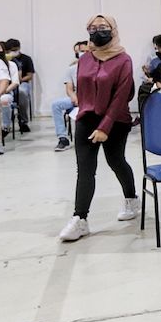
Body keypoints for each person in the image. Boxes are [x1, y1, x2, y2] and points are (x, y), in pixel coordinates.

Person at [59, 15, 138, 242]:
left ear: (113, 30)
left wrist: (105, 126)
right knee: (85, 169)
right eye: (93, 28)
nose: (97, 31)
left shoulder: (124, 59)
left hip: (115, 119)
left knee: (116, 161)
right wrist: (84, 114)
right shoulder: (85, 58)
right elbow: (82, 91)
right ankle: (79, 219)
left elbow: (122, 96)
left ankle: (131, 198)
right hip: (86, 118)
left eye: (103, 27)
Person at [51, 41, 87, 152]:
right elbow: (69, 89)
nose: (82, 53)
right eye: (80, 51)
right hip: (78, 97)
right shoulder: (72, 69)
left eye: (85, 51)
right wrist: (73, 97)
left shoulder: (99, 66)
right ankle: (63, 139)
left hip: (94, 98)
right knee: (56, 104)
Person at [4, 39, 34, 133]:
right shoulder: (3, 59)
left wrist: (18, 80)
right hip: (5, 83)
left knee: (22, 92)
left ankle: (23, 121)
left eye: (15, 49)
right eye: (10, 50)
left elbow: (30, 76)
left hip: (22, 83)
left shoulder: (26, 59)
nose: (13, 52)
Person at [138, 34, 161, 108]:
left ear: (156, 45)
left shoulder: (159, 60)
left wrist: (153, 80)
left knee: (143, 89)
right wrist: (147, 72)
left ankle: (143, 114)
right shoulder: (157, 59)